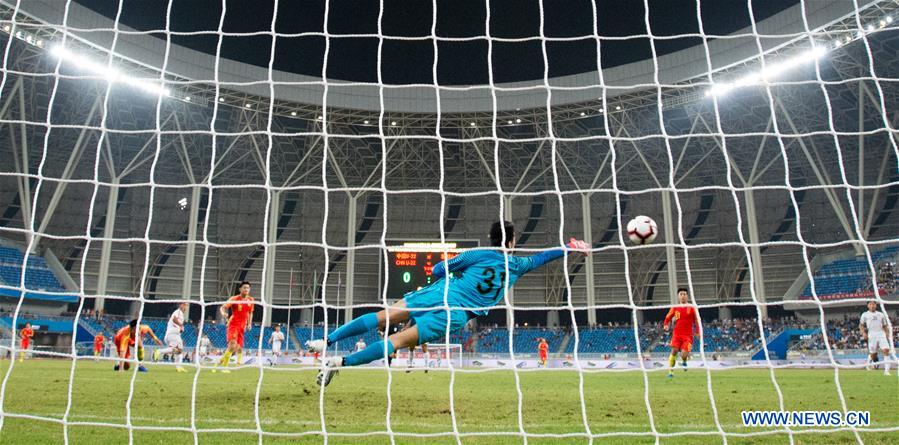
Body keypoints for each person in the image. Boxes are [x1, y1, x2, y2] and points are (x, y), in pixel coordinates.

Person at [306, 220, 588, 386]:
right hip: (458, 313)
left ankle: (327, 341)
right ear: (512, 241)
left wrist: (456, 272)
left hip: (440, 293)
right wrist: (569, 247)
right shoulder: (518, 264)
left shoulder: (476, 253)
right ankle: (338, 362)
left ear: (491, 238)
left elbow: (439, 270)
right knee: (400, 341)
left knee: (385, 316)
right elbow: (542, 258)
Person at [216, 282, 254, 373]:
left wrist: (249, 324)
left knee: (239, 348)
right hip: (233, 325)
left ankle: (225, 361)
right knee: (232, 345)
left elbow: (250, 312)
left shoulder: (251, 300)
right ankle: (224, 367)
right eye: (244, 288)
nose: (246, 289)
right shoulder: (235, 299)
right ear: (240, 289)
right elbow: (223, 307)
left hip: (242, 327)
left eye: (248, 288)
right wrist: (223, 313)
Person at [663, 288, 700, 378]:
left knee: (684, 354)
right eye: (681, 294)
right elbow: (668, 317)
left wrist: (697, 331)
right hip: (677, 334)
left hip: (688, 336)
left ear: (687, 296)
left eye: (684, 294)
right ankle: (671, 372)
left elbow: (697, 320)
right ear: (678, 296)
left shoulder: (692, 308)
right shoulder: (675, 308)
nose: (683, 296)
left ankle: (684, 361)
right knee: (674, 351)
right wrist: (665, 324)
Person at [860, 300, 893, 375]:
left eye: (874, 304)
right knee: (873, 354)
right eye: (870, 304)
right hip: (871, 335)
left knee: (886, 350)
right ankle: (868, 364)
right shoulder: (865, 314)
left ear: (876, 305)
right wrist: (863, 333)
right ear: (868, 305)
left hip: (881, 334)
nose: (872, 305)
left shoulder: (881, 314)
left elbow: (884, 325)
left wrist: (887, 334)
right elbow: (861, 325)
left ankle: (886, 371)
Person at [153, 302, 189, 372]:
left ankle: (178, 367)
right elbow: (174, 319)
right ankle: (159, 351)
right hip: (173, 334)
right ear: (181, 305)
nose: (186, 307)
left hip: (173, 334)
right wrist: (181, 325)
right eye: (185, 305)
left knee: (178, 351)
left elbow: (176, 324)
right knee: (179, 350)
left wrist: (181, 329)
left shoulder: (181, 314)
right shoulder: (178, 312)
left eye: (187, 306)